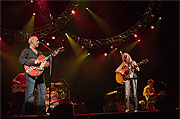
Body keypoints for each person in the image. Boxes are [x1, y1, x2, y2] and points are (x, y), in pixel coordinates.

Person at [19, 36, 58, 115]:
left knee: (43, 94)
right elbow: (21, 60)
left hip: (40, 75)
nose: (38, 42)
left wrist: (50, 58)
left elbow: (44, 64)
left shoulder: (40, 53)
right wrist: (33, 62)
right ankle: (28, 113)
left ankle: (41, 112)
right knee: (30, 95)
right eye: (37, 40)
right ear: (32, 42)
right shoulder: (26, 51)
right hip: (30, 74)